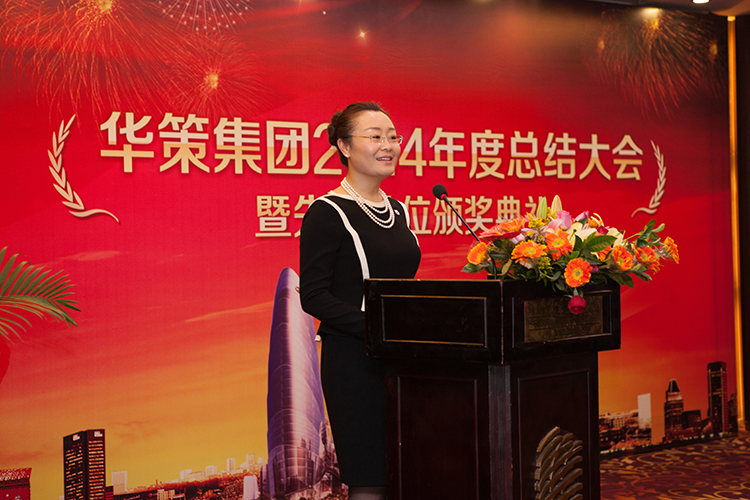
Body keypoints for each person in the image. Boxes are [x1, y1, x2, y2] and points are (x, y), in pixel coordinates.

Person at [299, 102, 421, 500]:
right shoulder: (326, 212)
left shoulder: (398, 210)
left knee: (407, 472)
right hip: (355, 363)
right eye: (375, 136)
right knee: (371, 478)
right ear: (345, 147)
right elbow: (314, 295)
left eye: (392, 137)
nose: (388, 145)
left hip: (405, 361)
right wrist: (378, 328)